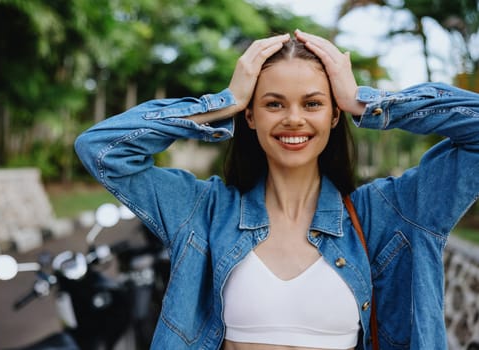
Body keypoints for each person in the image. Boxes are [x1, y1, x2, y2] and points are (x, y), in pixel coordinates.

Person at [75, 29, 479, 350]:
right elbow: (102, 150)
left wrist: (366, 102)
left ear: (334, 115)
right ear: (248, 116)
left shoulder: (388, 214)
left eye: (313, 103)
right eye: (273, 104)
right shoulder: (205, 210)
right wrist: (223, 102)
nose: (293, 119)